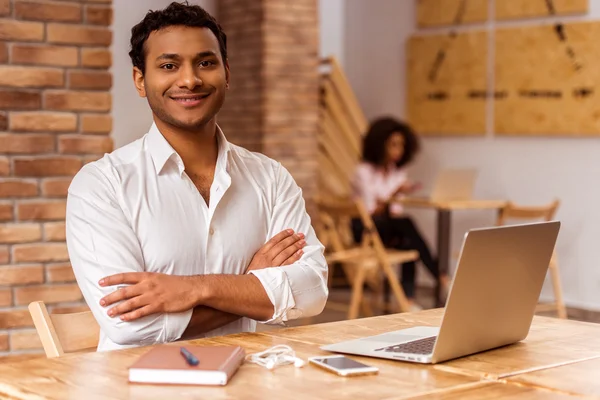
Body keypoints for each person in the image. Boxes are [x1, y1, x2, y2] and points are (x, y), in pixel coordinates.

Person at [65, 2, 328, 352]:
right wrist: (249, 285)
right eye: (169, 65)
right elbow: (129, 326)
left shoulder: (271, 178)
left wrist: (196, 288)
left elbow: (311, 290)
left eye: (206, 63)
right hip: (140, 387)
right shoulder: (101, 185)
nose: (190, 80)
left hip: (250, 380)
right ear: (140, 80)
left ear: (227, 73)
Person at [351, 117, 446, 310]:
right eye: (393, 144)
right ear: (379, 145)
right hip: (365, 230)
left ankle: (408, 300)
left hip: (388, 229)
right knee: (407, 225)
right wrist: (395, 193)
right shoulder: (363, 172)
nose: (398, 150)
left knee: (409, 242)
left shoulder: (397, 173)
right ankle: (442, 277)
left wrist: (394, 196)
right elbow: (371, 212)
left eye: (401, 145)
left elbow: (395, 212)